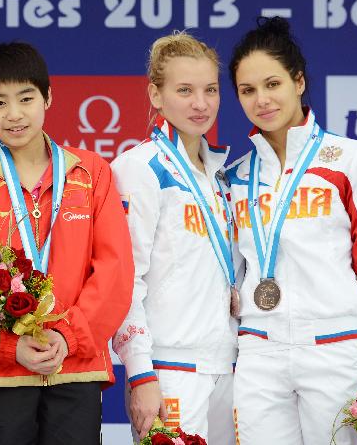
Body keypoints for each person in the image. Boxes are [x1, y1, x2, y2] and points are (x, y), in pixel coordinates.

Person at [0, 41, 134, 444]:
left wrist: (66, 336)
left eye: (26, 98)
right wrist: (8, 347)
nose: (15, 114)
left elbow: (115, 271)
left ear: (48, 97)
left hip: (76, 367)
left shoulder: (90, 173)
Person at [226, 17, 357, 444]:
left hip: (338, 346)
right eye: (247, 90)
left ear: (299, 81)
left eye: (273, 84)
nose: (261, 100)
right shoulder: (235, 177)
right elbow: (231, 273)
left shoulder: (352, 159)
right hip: (259, 352)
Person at [111, 32, 239, 443]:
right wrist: (141, 373)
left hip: (230, 366)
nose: (200, 104)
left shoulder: (223, 174)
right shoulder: (139, 168)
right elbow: (125, 281)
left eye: (211, 90)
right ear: (156, 94)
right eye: (184, 90)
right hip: (170, 369)